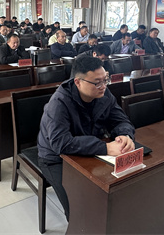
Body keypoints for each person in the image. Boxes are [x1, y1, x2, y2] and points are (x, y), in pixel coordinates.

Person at [37, 56, 135, 220]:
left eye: (105, 80)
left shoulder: (103, 93)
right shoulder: (59, 102)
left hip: (90, 149)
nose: (103, 86)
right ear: (78, 82)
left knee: (123, 189)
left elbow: (121, 120)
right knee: (79, 207)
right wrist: (105, 148)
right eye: (97, 82)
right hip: (56, 158)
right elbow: (60, 143)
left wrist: (124, 135)